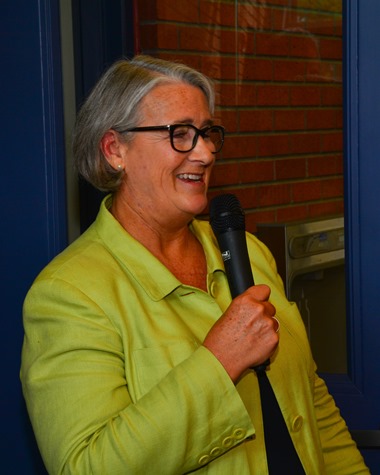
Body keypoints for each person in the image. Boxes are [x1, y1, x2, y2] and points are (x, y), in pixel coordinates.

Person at [20, 55, 369, 474]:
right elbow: (88, 466)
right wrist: (218, 361)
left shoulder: (250, 251)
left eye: (207, 133)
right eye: (179, 134)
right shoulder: (69, 293)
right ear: (115, 150)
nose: (204, 153)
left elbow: (312, 403)